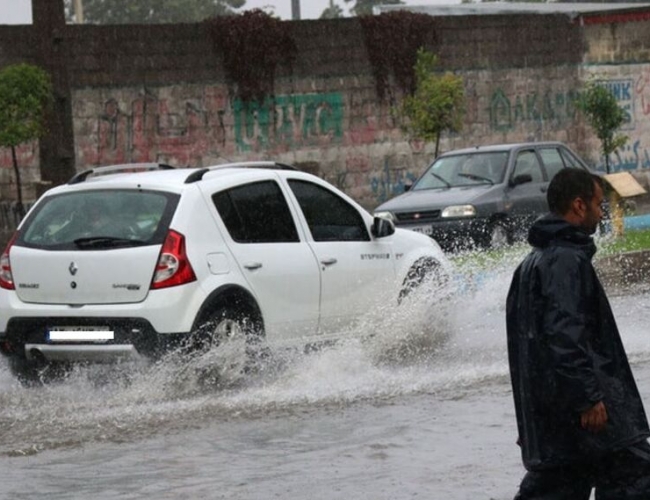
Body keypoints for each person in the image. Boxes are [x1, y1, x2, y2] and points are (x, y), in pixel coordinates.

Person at [506, 168, 650, 499]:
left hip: (554, 415)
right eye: (598, 205)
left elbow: (526, 350)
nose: (601, 214)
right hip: (587, 413)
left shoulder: (531, 264)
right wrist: (588, 398)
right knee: (636, 477)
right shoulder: (565, 261)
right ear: (578, 205)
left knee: (557, 484)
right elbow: (565, 336)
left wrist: (531, 419)